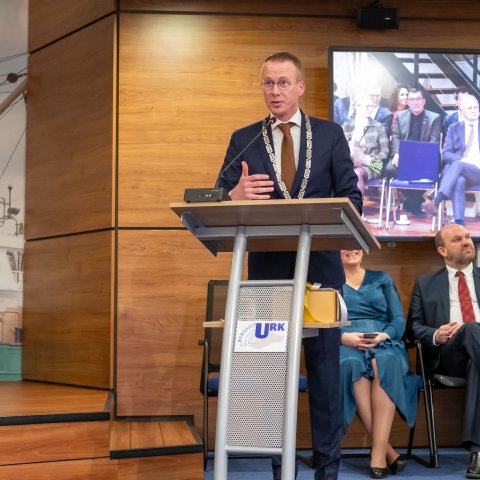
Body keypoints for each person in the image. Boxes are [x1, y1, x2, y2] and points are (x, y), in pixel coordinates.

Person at [217, 52, 362, 480]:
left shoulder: (330, 134)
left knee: (324, 378)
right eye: (267, 83)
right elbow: (216, 193)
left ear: (300, 87)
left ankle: (328, 472)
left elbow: (351, 199)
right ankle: (282, 469)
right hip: (266, 277)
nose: (274, 91)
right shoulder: (243, 138)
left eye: (283, 83)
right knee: (271, 378)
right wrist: (233, 196)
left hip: (321, 273)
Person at [407, 224, 480, 479]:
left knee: (477, 362)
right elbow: (413, 329)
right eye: (458, 239)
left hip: (475, 358)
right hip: (448, 356)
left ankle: (478, 453)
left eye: (468, 237)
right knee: (470, 329)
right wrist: (436, 334)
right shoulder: (426, 284)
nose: (466, 242)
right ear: (443, 250)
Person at [340, 249, 417, 479]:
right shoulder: (329, 283)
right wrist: (344, 337)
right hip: (346, 343)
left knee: (386, 361)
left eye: (356, 245)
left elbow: (398, 320)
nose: (351, 249)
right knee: (352, 364)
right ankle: (387, 451)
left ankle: (377, 454)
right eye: (345, 245)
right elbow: (323, 321)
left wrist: (383, 337)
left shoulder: (381, 278)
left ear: (363, 251)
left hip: (384, 341)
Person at [423, 95, 480, 225]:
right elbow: (447, 154)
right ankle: (459, 222)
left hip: (478, 171)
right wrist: (465, 160)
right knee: (459, 180)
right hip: (461, 170)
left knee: (457, 165)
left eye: (475, 107)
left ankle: (436, 200)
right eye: (469, 108)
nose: (473, 110)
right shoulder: (454, 128)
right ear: (462, 111)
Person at [386, 88, 441, 217]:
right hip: (404, 156)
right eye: (412, 99)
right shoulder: (400, 116)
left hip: (425, 157)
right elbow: (395, 137)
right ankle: (408, 197)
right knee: (389, 169)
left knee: (420, 171)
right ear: (408, 102)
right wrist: (396, 154)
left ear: (424, 101)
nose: (415, 102)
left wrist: (419, 159)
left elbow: (434, 142)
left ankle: (412, 202)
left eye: (418, 99)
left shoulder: (434, 118)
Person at [342, 93, 390, 195]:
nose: (370, 109)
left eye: (372, 106)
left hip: (371, 165)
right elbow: (339, 150)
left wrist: (371, 158)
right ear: (357, 107)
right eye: (367, 106)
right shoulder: (346, 126)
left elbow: (385, 151)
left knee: (357, 173)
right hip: (350, 163)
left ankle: (357, 209)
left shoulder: (378, 126)